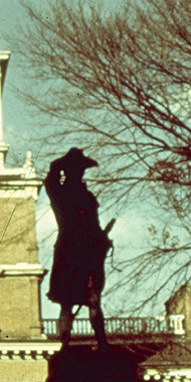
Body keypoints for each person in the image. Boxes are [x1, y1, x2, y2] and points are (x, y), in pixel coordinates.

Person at [44, 148, 114, 349]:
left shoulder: (88, 196)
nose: (80, 172)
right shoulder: (59, 192)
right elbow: (50, 179)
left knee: (94, 300)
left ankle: (102, 342)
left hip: (90, 253)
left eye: (81, 169)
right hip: (69, 251)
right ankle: (65, 346)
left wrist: (102, 239)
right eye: (76, 168)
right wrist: (61, 163)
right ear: (67, 171)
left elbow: (95, 224)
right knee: (67, 302)